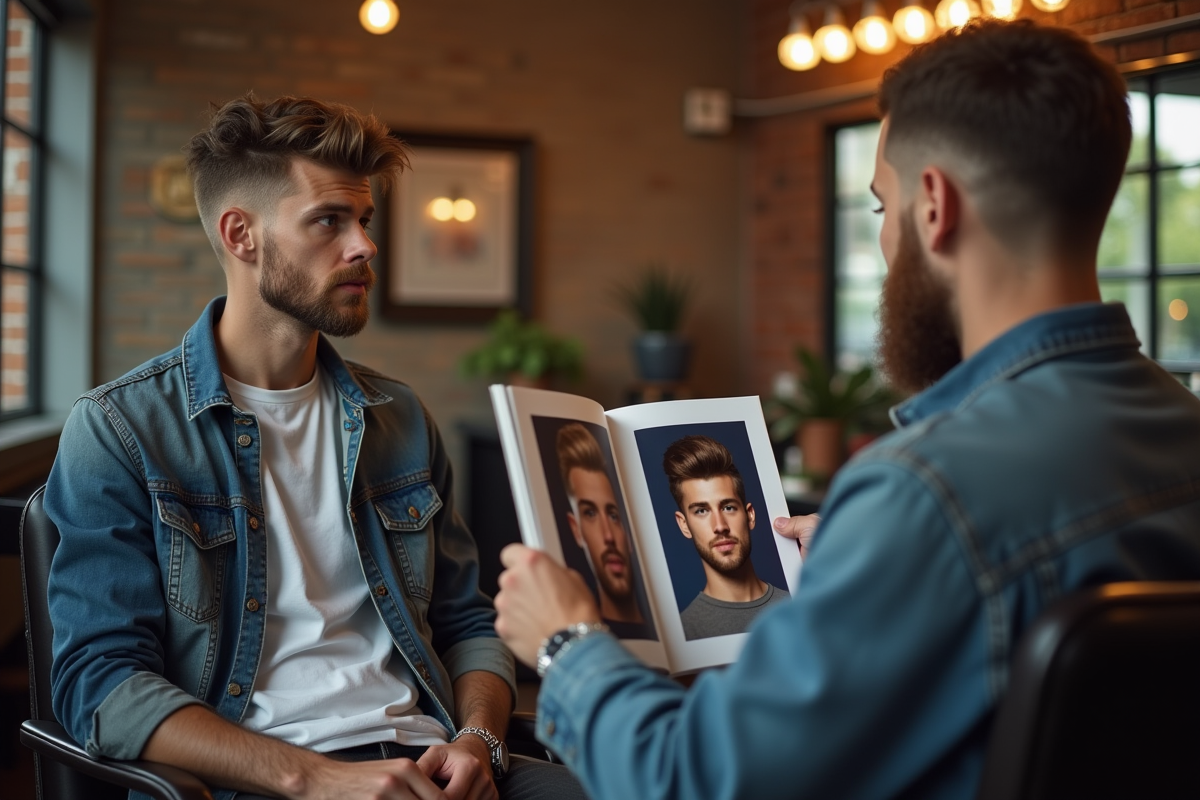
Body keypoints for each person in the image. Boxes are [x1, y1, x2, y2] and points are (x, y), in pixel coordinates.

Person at [492, 19, 1200, 800]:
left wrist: (567, 642)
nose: (888, 241)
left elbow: (691, 782)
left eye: (880, 210)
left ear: (933, 206)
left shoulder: (927, 492)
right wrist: (873, 558)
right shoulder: (1178, 428)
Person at [45, 94, 583, 800]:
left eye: (363, 220)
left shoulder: (401, 419)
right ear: (242, 235)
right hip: (257, 781)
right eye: (329, 220)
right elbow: (99, 682)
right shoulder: (120, 430)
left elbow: (468, 623)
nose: (364, 245)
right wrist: (315, 779)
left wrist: (478, 741)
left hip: (437, 767)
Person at [662, 434, 788, 639]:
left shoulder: (801, 607)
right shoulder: (683, 635)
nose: (720, 526)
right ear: (684, 525)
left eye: (728, 507)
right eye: (701, 511)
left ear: (750, 515)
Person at [554, 422, 654, 639]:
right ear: (576, 529)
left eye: (614, 515)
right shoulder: (581, 640)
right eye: (590, 513)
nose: (608, 536)